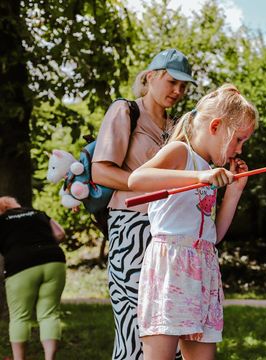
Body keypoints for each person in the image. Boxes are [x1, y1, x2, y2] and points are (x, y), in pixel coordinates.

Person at [128, 83, 259, 360]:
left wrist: (234, 191)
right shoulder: (180, 153)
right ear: (215, 127)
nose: (239, 149)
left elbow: (215, 235)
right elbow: (136, 179)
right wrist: (198, 178)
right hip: (171, 264)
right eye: (238, 139)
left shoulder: (209, 170)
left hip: (203, 266)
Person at [91, 48, 196, 359]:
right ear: (150, 77)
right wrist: (153, 184)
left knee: (169, 327)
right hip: (131, 227)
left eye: (183, 86)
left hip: (170, 233)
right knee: (136, 327)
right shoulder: (125, 112)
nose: (178, 91)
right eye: (171, 81)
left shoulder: (179, 126)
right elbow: (100, 170)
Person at [0, 196, 66, 360]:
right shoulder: (37, 213)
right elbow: (59, 234)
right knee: (49, 314)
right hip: (53, 260)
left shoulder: (1, 221)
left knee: (20, 317)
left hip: (21, 266)